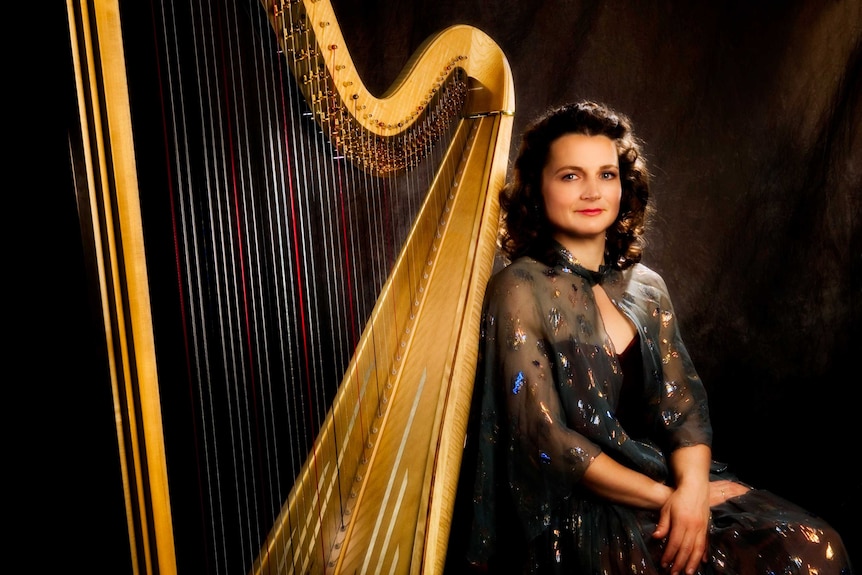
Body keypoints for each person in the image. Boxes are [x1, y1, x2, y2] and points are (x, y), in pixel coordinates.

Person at [452, 101, 853, 574]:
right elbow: (547, 440)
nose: (592, 191)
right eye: (570, 176)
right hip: (577, 513)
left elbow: (684, 413)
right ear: (537, 189)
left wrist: (694, 489)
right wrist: (675, 500)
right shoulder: (518, 288)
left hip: (663, 481)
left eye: (606, 174)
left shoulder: (647, 286)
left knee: (816, 546)